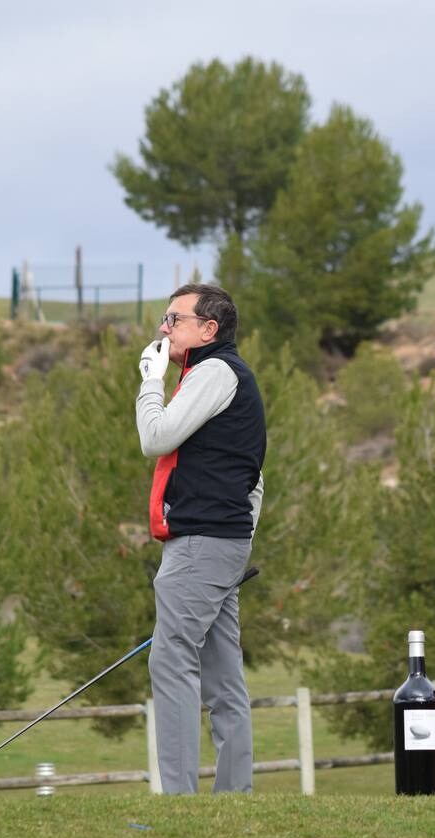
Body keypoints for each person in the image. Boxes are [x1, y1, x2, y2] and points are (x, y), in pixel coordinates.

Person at [135, 282, 266, 794]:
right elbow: (253, 476)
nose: (164, 329)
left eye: (175, 320)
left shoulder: (213, 371)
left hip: (200, 544)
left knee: (171, 661)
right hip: (221, 543)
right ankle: (234, 797)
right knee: (221, 672)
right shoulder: (225, 375)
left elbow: (156, 438)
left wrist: (151, 381)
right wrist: (240, 540)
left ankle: (180, 799)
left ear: (208, 329)